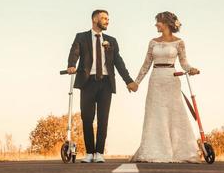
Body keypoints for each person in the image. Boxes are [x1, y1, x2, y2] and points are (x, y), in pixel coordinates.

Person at [67, 9, 138, 163]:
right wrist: (71, 65)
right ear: (94, 19)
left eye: (108, 18)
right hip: (88, 82)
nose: (107, 21)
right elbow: (74, 52)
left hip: (106, 83)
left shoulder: (111, 40)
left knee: (103, 119)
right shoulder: (81, 37)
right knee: (87, 118)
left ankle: (99, 153)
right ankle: (89, 153)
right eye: (104, 18)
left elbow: (118, 62)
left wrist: (129, 80)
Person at [130, 11, 201, 163]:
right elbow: (146, 64)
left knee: (174, 113)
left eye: (158, 22)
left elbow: (184, 63)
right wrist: (136, 82)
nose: (156, 24)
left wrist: (191, 69)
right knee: (155, 114)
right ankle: (154, 150)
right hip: (155, 79)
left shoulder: (179, 42)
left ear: (167, 23)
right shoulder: (153, 42)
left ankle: (180, 151)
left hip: (171, 78)